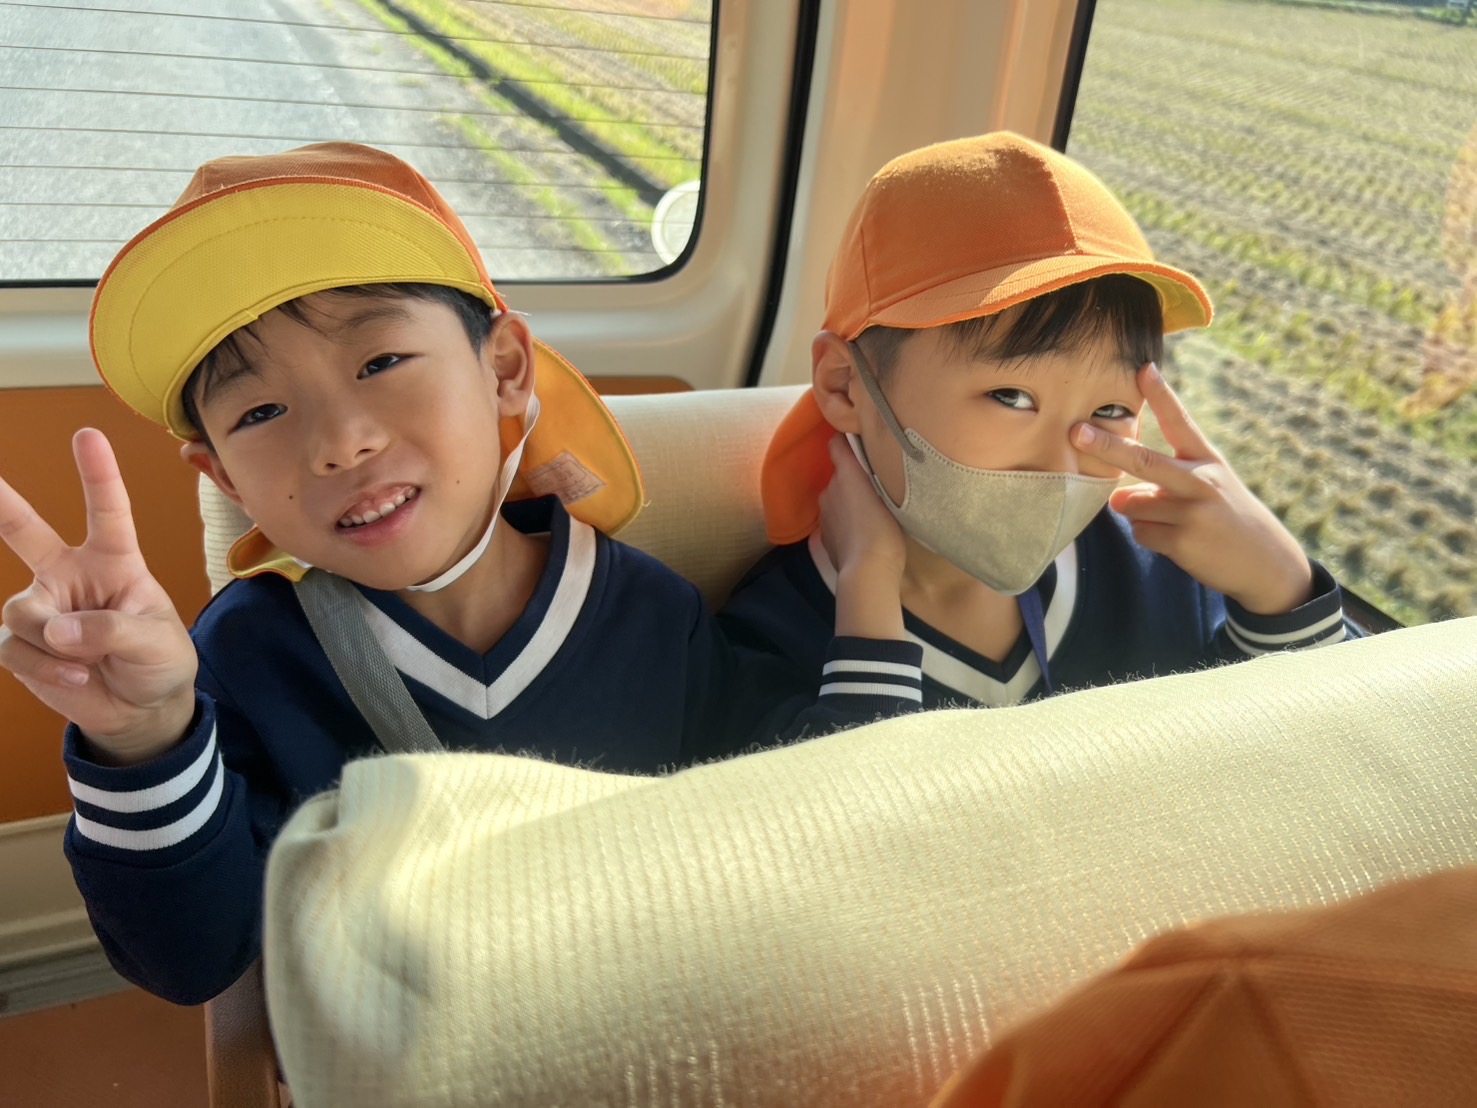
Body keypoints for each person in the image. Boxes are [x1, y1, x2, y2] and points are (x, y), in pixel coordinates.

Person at [0, 143, 866, 1005]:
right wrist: (145, 736)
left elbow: (791, 819)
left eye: (379, 363)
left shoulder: (648, 611)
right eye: (260, 411)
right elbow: (191, 960)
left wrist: (873, 587)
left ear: (505, 369)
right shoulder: (242, 654)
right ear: (225, 477)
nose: (341, 442)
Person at [720, 132, 1358, 718]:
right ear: (844, 385)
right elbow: (847, 807)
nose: (1061, 465)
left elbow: (1330, 751)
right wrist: (868, 599)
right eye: (1011, 396)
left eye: (1110, 411)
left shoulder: (1166, 571)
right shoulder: (767, 637)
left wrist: (1282, 586)